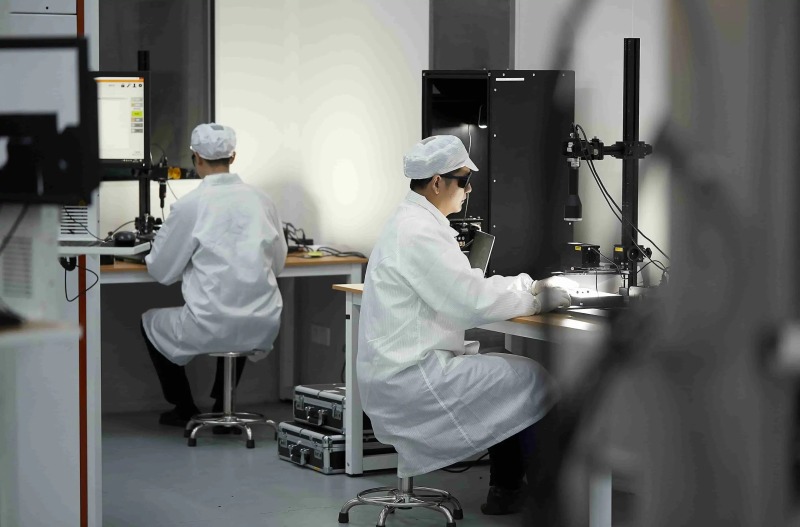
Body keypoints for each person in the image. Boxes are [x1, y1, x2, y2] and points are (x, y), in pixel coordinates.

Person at [356, 135, 574, 517]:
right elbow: (470, 302)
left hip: (398, 372)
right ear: (437, 182)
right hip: (412, 379)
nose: (469, 189)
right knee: (533, 379)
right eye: (463, 180)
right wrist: (538, 301)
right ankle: (546, 498)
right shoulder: (419, 232)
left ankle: (506, 489)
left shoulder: (412, 222)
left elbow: (466, 286)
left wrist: (527, 285)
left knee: (507, 371)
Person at [140, 123, 288, 431]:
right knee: (240, 307)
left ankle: (183, 408)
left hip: (209, 323)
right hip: (262, 321)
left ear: (195, 158)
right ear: (233, 157)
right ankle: (223, 406)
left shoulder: (190, 206)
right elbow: (278, 265)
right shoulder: (262, 200)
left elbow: (161, 271)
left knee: (150, 322)